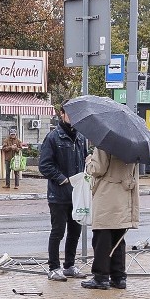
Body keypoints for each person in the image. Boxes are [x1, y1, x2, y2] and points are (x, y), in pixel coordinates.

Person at [38, 104, 89, 281]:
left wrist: (88, 164)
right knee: (58, 231)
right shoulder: (53, 137)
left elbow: (84, 160)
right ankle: (53, 267)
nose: (73, 117)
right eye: (70, 114)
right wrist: (62, 179)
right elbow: (44, 165)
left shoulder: (81, 137)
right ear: (62, 114)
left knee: (75, 231)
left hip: (77, 194)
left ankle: (69, 265)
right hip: (58, 195)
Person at [81, 148, 139, 290]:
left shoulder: (105, 144)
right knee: (118, 238)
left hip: (107, 193)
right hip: (124, 195)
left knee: (102, 237)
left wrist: (89, 162)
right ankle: (119, 278)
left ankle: (101, 277)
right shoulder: (134, 145)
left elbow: (98, 169)